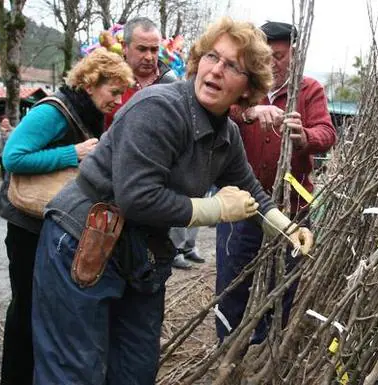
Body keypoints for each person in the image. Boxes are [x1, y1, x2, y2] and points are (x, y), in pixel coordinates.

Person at [31, 17, 314, 385]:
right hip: (83, 237)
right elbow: (137, 197)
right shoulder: (160, 107)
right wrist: (214, 209)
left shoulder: (225, 134)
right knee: (74, 372)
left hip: (140, 251)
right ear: (198, 61)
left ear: (248, 88)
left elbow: (250, 189)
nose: (216, 70)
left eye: (232, 66)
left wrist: (287, 228)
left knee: (135, 369)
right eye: (212, 56)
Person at [0, 48, 133, 385]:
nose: (117, 99)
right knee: (26, 310)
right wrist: (75, 152)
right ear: (90, 84)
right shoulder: (55, 110)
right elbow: (13, 157)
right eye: (113, 91)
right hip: (27, 225)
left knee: (45, 310)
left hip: (49, 222)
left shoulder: (87, 110)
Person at [216, 21, 336, 343]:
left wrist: (304, 137)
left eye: (279, 56)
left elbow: (327, 134)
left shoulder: (309, 90)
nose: (272, 63)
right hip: (243, 204)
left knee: (283, 280)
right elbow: (218, 112)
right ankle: (228, 343)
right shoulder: (243, 89)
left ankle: (267, 342)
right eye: (265, 56)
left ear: (294, 56)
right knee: (234, 277)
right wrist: (250, 111)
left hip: (293, 206)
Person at [105, 16, 198, 269]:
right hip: (109, 193)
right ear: (125, 48)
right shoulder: (108, 82)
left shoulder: (173, 85)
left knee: (152, 272)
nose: (149, 56)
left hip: (155, 194)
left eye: (154, 49)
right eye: (142, 49)